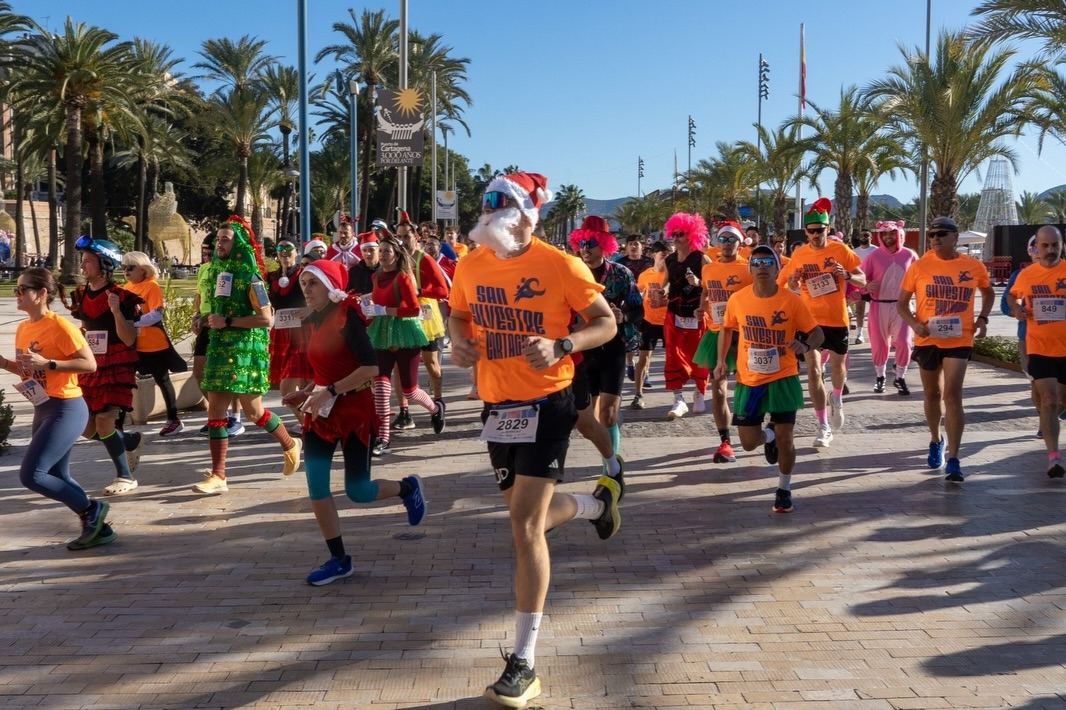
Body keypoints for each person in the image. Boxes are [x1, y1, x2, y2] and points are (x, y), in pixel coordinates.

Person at [448, 171, 620, 708]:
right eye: (486, 207)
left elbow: (606, 322)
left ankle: (523, 662)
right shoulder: (471, 262)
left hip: (549, 402)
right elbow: (457, 314)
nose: (489, 214)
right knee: (530, 523)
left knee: (523, 527)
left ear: (526, 214)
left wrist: (563, 343)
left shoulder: (558, 264)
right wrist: (457, 343)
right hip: (497, 406)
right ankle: (595, 505)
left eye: (500, 206)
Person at [283, 260, 426, 585]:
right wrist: (307, 391)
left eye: (312, 283)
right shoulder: (315, 321)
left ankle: (407, 488)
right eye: (303, 283)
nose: (305, 289)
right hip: (320, 414)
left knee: (358, 491)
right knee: (316, 487)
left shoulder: (348, 319)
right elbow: (327, 368)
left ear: (329, 286)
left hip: (354, 414)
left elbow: (370, 369)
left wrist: (330, 390)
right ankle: (339, 560)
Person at [4, 267, 114, 549]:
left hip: (66, 408)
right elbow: (29, 372)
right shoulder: (23, 327)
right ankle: (100, 530)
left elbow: (89, 364)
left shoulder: (60, 326)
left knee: (31, 475)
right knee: (57, 475)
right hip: (43, 406)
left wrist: (50, 364)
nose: (16, 294)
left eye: (21, 289)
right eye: (15, 289)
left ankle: (92, 511)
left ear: (41, 294)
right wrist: (4, 364)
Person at [194, 215, 302, 494]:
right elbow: (220, 312)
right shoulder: (219, 273)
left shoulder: (252, 278)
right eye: (217, 239)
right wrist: (204, 318)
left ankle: (290, 443)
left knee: (254, 411)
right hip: (220, 348)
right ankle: (219, 476)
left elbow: (266, 319)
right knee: (215, 411)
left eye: (225, 239)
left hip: (244, 352)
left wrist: (228, 323)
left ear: (239, 244)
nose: (219, 244)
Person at [715, 245, 824, 512]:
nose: (762, 266)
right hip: (749, 379)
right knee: (749, 443)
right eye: (757, 262)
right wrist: (720, 361)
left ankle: (784, 489)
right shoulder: (738, 299)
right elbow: (726, 329)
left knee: (787, 438)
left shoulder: (792, 300)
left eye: (768, 261)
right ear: (750, 269)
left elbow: (817, 333)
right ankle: (769, 433)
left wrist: (807, 346)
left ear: (777, 269)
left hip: (782, 377)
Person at [897, 216, 994, 482]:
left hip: (959, 338)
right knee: (932, 394)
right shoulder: (919, 266)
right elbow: (902, 305)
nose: (936, 238)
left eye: (941, 233)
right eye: (932, 235)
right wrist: (915, 325)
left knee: (952, 394)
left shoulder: (972, 266)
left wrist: (982, 319)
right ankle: (935, 439)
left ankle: (953, 458)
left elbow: (988, 292)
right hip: (928, 338)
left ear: (955, 237)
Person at [782, 198, 866, 448]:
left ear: (828, 229)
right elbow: (792, 286)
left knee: (838, 368)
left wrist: (847, 275)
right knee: (814, 371)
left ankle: (837, 398)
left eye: (821, 230)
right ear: (805, 232)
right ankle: (822, 426)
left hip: (837, 318)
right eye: (812, 231)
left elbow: (862, 279)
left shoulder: (841, 251)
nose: (817, 235)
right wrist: (795, 280)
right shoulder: (799, 253)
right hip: (809, 321)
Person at [67, 237, 144, 496]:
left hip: (115, 365)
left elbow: (130, 339)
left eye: (88, 260)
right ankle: (129, 441)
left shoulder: (122, 297)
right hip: (90, 366)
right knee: (85, 428)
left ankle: (125, 475)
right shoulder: (79, 295)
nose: (83, 265)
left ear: (105, 265)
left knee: (104, 424)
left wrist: (116, 313)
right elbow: (86, 328)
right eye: (83, 260)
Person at [569, 215, 641, 474]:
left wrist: (624, 317)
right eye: (582, 243)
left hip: (612, 349)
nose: (585, 248)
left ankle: (609, 470)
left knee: (608, 413)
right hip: (581, 350)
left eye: (591, 242)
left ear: (604, 244)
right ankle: (608, 455)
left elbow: (637, 308)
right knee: (585, 418)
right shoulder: (571, 272)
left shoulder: (621, 273)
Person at [364, 235, 446, 456]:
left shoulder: (403, 278)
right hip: (382, 332)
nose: (382, 255)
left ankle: (435, 408)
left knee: (409, 390)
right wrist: (370, 307)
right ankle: (384, 437)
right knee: (380, 385)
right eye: (380, 251)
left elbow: (414, 309)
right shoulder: (376, 276)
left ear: (397, 254)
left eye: (387, 251)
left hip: (406, 332)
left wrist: (385, 310)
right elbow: (378, 299)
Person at [1006, 225, 1066, 478]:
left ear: (1062, 245)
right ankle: (1053, 458)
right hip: (1038, 346)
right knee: (1050, 401)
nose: (1050, 250)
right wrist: (1016, 310)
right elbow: (1011, 297)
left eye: (1055, 245)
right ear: (1036, 248)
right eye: (1045, 246)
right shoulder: (1027, 274)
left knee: (1061, 401)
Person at [693, 221, 753, 463]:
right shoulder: (709, 269)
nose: (727, 244)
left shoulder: (748, 267)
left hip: (745, 335)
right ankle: (725, 442)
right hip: (716, 333)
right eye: (723, 239)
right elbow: (706, 293)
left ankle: (756, 431)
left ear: (740, 242)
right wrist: (701, 309)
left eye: (732, 239)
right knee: (718, 390)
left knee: (749, 387)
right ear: (717, 242)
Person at [119, 251, 185, 436]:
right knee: (125, 381)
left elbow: (156, 314)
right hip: (133, 343)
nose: (126, 271)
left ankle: (173, 419)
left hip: (154, 343)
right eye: (123, 267)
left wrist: (133, 323)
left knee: (162, 380)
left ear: (142, 269)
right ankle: (118, 423)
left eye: (130, 267)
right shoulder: (126, 287)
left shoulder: (151, 286)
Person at [392, 217, 450, 423]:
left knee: (431, 363)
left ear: (416, 236)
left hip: (425, 316)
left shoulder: (424, 259)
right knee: (398, 367)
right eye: (399, 237)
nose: (403, 241)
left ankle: (438, 400)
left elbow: (443, 289)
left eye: (406, 236)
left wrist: (420, 290)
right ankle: (404, 411)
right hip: (402, 316)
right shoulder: (394, 259)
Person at [662, 212, 712, 420]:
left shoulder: (702, 258)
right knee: (673, 355)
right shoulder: (669, 259)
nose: (675, 238)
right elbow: (666, 280)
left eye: (680, 234)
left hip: (697, 313)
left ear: (691, 235)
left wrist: (698, 283)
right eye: (673, 234)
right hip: (674, 313)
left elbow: (711, 286)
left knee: (699, 356)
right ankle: (678, 399)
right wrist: (662, 291)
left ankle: (699, 394)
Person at [192, 234, 243, 437]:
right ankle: (218, 414)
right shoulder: (205, 269)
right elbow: (199, 295)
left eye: (212, 251)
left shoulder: (233, 269)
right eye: (206, 252)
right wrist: (196, 316)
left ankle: (236, 418)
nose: (209, 255)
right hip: (206, 324)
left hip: (225, 324)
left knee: (229, 372)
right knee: (199, 371)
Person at [861, 221, 917, 395]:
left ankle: (900, 376)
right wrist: (866, 286)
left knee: (905, 342)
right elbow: (861, 279)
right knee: (879, 344)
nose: (888, 237)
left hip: (904, 306)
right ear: (879, 236)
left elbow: (921, 279)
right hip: (879, 306)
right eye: (884, 234)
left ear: (899, 234)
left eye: (891, 234)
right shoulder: (873, 256)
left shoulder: (910, 255)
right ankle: (880, 377)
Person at [266, 237, 313, 428]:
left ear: (296, 252)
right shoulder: (270, 277)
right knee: (286, 391)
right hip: (281, 334)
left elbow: (317, 301)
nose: (284, 252)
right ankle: (309, 426)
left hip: (303, 334)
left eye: (288, 248)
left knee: (307, 384)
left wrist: (308, 312)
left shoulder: (305, 274)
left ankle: (313, 426)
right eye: (280, 248)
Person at [631, 241, 669, 409]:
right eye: (663, 254)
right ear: (654, 255)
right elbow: (638, 291)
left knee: (677, 359)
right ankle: (638, 394)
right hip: (649, 322)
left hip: (669, 321)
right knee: (643, 359)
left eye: (669, 255)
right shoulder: (646, 275)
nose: (666, 258)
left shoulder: (673, 274)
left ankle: (679, 396)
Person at [852, 229, 879, 344]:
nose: (864, 237)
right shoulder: (854, 251)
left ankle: (877, 334)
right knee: (859, 309)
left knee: (876, 310)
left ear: (871, 237)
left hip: (874, 284)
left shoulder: (876, 251)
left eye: (866, 235)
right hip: (860, 284)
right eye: (861, 235)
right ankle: (859, 334)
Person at [345, 230, 380, 295]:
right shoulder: (354, 271)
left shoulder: (385, 270)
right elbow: (348, 292)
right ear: (361, 252)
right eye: (364, 250)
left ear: (378, 250)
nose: (368, 253)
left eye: (371, 250)